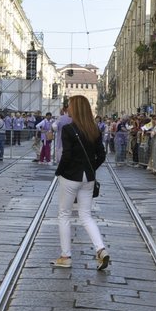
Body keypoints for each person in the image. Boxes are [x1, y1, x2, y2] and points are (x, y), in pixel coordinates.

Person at [52, 94, 110, 270]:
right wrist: (90, 167)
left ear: (75, 108)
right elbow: (102, 155)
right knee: (86, 215)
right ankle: (101, 249)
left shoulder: (69, 129)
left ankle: (65, 256)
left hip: (71, 176)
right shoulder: (94, 129)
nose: (67, 108)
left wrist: (59, 171)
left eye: (69, 105)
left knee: (64, 215)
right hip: (88, 178)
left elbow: (67, 155)